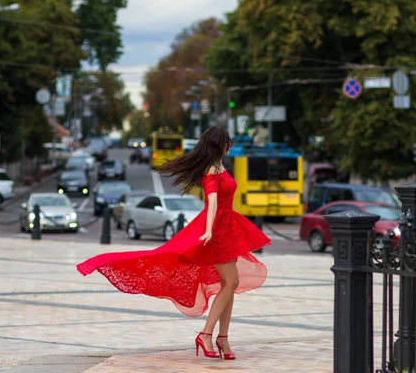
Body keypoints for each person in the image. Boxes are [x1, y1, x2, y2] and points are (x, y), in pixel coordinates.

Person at [76, 127, 270, 360]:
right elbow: (212, 202)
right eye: (227, 141)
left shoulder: (221, 167)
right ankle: (207, 335)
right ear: (219, 144)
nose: (230, 145)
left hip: (226, 229)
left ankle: (223, 339)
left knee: (228, 285)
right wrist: (209, 230)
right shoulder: (211, 171)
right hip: (217, 230)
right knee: (231, 283)